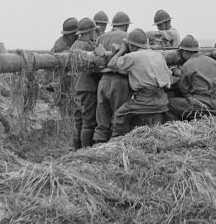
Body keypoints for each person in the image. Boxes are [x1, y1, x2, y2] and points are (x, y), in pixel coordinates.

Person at [107, 28, 171, 137]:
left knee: (119, 115)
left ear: (131, 46)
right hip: (162, 100)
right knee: (156, 131)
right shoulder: (158, 56)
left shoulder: (133, 56)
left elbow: (111, 64)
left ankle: (117, 142)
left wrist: (122, 50)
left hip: (144, 101)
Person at [162, 35, 216, 121]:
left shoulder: (187, 65)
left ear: (185, 52)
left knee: (169, 104)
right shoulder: (213, 61)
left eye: (181, 52)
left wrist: (177, 77)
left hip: (202, 105)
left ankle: (176, 129)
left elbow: (184, 90)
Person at [93, 12, 132, 144]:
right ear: (126, 25)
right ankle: (115, 152)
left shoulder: (101, 38)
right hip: (120, 81)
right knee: (119, 119)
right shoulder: (128, 37)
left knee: (102, 121)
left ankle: (98, 151)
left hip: (103, 81)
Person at [70, 17, 101, 149]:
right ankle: (85, 151)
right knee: (88, 121)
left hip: (77, 85)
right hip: (88, 86)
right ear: (90, 31)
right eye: (94, 31)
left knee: (80, 120)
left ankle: (77, 149)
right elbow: (92, 68)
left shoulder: (75, 45)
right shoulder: (87, 46)